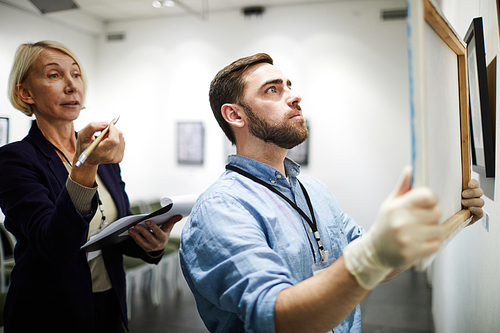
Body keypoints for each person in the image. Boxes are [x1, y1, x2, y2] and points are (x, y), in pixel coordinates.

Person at [179, 53, 485, 333]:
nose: (295, 96)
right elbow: (277, 316)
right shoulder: (222, 208)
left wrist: (449, 213)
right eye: (273, 90)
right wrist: (372, 254)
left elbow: (377, 262)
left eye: (289, 85)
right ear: (235, 115)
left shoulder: (313, 190)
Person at [0, 40, 181, 333]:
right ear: (25, 92)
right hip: (48, 312)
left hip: (109, 302)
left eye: (76, 74)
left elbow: (112, 230)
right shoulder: (14, 160)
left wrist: (152, 244)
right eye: (54, 75)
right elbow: (54, 245)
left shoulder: (100, 152)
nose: (72, 86)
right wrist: (85, 166)